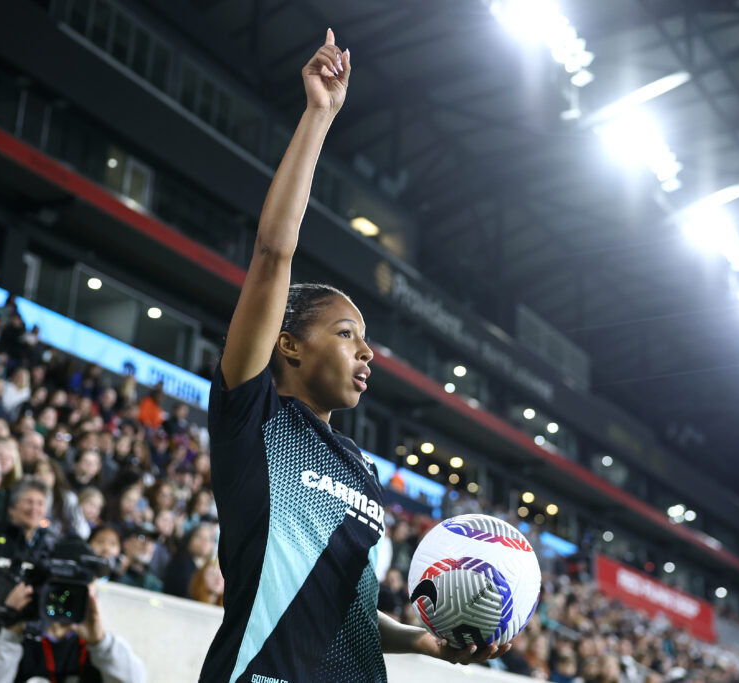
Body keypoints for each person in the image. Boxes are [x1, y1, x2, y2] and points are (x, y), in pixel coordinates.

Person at [199, 30, 508, 683]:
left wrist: (421, 640)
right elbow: (273, 253)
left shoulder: (363, 472)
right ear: (286, 343)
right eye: (346, 332)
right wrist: (320, 115)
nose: (367, 351)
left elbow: (349, 609)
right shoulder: (253, 417)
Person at [0, 541, 146, 683]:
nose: (67, 596)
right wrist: (9, 632)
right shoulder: (20, 641)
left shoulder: (98, 651)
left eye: (82, 586)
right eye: (61, 586)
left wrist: (101, 643)